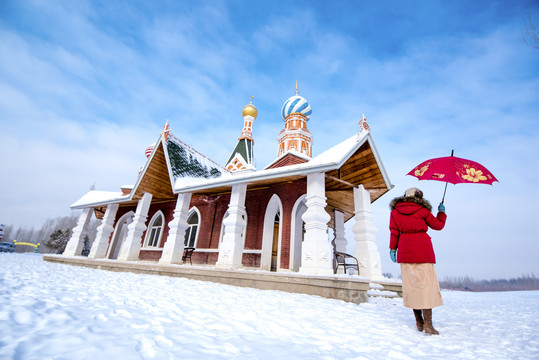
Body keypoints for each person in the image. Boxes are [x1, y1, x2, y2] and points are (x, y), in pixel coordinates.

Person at [389, 187, 447, 335]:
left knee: (412, 287)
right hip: (423, 252)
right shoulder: (423, 211)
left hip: (405, 251)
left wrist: (393, 249)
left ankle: (419, 322)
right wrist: (441, 212)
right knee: (426, 287)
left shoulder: (395, 212)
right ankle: (428, 325)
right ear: (419, 197)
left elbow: (394, 232)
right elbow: (438, 226)